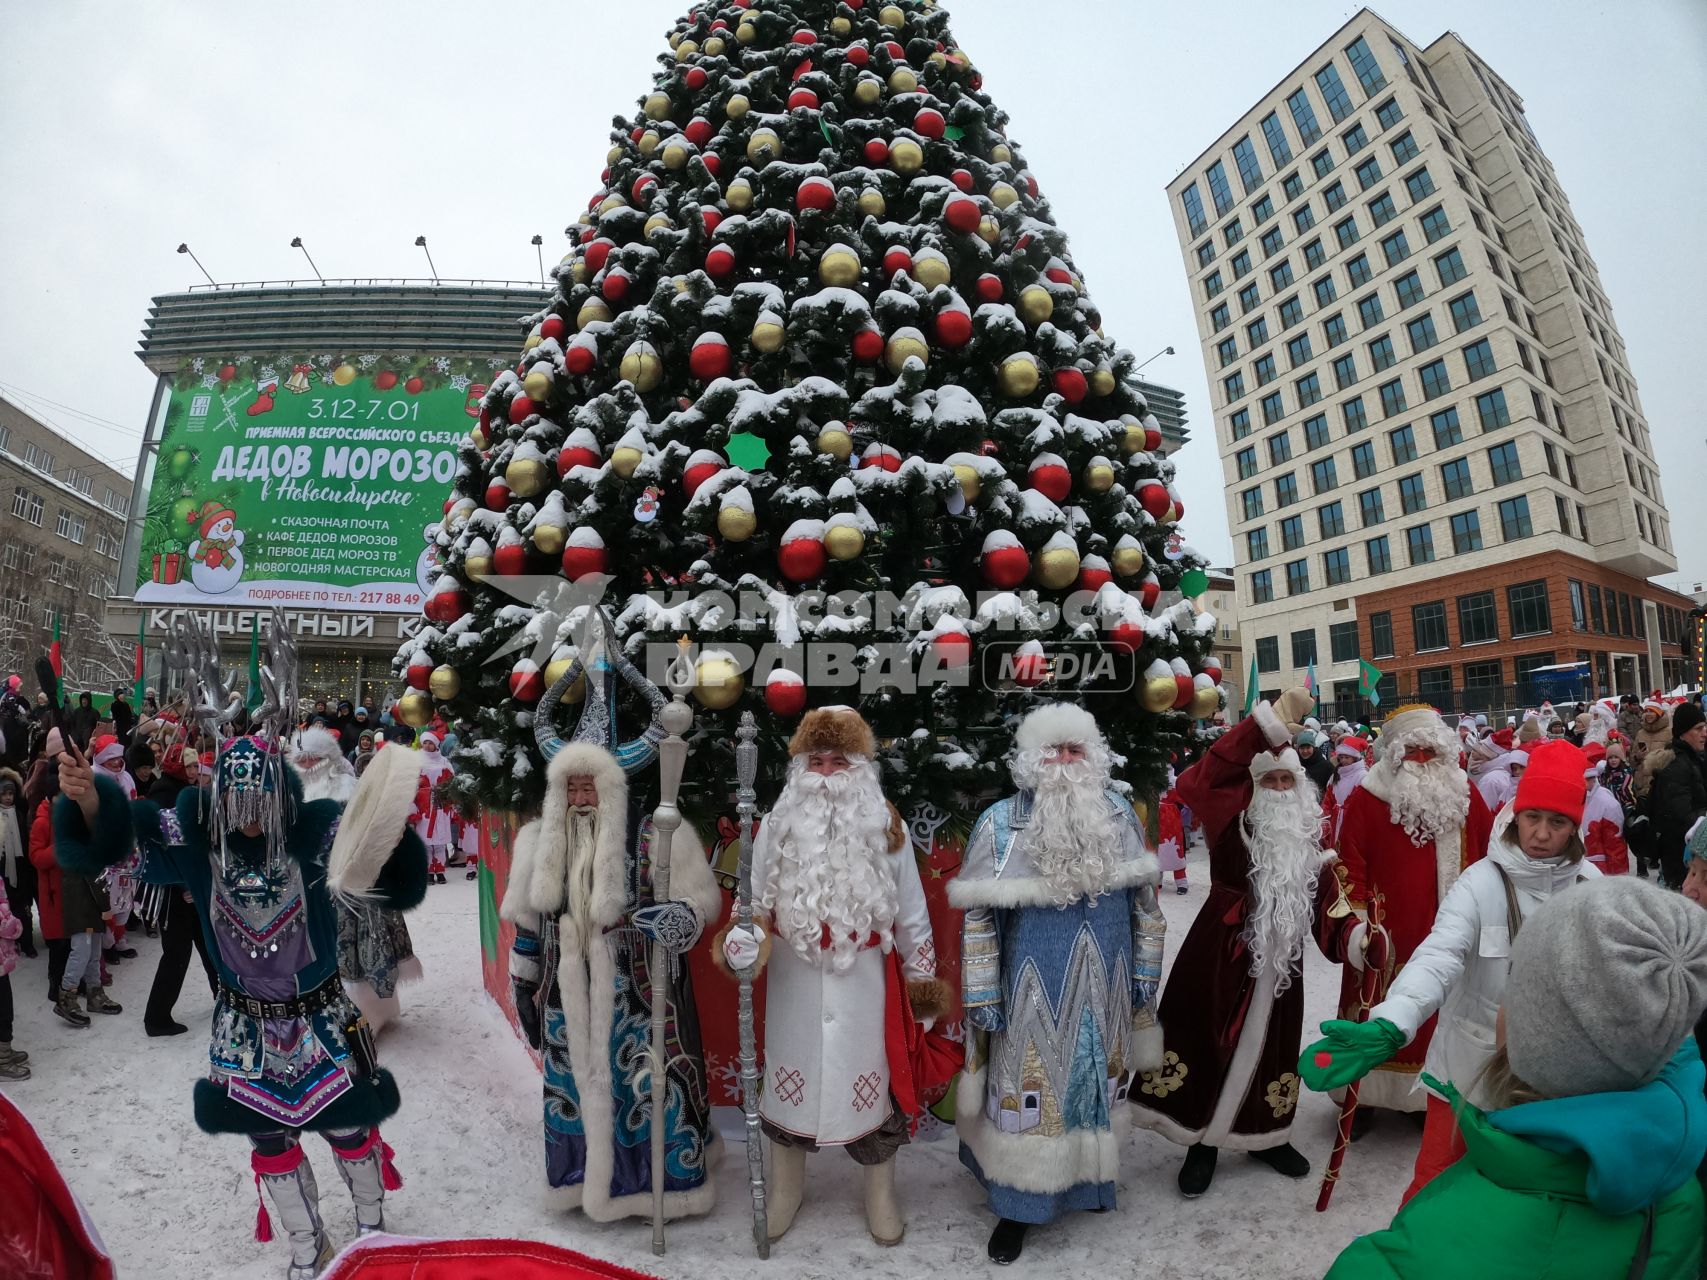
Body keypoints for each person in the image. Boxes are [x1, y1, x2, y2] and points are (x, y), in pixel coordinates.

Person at [53, 731, 427, 1276]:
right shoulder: (197, 844)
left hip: (320, 1019)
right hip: (243, 1030)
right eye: (237, 802)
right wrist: (89, 798)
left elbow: (379, 860)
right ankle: (308, 1245)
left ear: (282, 797)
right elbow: (124, 843)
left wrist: (387, 819)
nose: (250, 816)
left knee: (348, 1126)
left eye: (262, 802)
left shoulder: (316, 834)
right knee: (269, 1141)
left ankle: (371, 1231)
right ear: (220, 800)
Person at [1321, 877, 1707, 1278]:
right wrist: (1396, 1019)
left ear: (1536, 1032)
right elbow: (1440, 953)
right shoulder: (1678, 1189)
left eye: (1515, 984)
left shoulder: (1404, 1260)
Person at [1302, 739, 1598, 1203]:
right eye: (1533, 817)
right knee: (1433, 1188)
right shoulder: (1481, 882)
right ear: (1517, 815)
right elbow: (1438, 956)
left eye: (1557, 822)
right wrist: (1391, 1019)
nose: (1541, 833)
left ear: (1574, 828)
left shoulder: (1591, 888)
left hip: (1550, 1078)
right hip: (1467, 1071)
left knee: (1521, 1197)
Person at [951, 703, 1165, 1264]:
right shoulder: (999, 824)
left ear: (1092, 758)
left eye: (1075, 751)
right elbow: (977, 920)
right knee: (1033, 1096)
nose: (1065, 763)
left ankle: (1091, 1181)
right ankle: (1018, 1207)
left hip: (1112, 986)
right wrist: (981, 995)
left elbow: (1147, 906)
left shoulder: (1119, 814)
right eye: (1054, 751)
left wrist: (1145, 973)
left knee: (1097, 1086)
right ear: (1030, 760)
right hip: (1030, 991)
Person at [726, 707, 946, 1246]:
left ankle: (880, 1192)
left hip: (864, 988)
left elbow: (912, 912)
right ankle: (785, 1187)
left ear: (860, 768)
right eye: (816, 761)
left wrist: (921, 988)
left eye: (838, 762)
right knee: (785, 1088)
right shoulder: (778, 820)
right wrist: (743, 934)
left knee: (872, 1089)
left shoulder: (884, 821)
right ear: (801, 766)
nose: (826, 773)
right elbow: (749, 897)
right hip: (794, 986)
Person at [1132, 691, 1361, 1196]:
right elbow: (1202, 778)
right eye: (1268, 781)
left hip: (1282, 964)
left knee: (1275, 1048)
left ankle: (1266, 1136)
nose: (1279, 789)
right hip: (1221, 952)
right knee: (1208, 1041)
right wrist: (1268, 724)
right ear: (1252, 788)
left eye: (1287, 780)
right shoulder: (1226, 825)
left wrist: (1356, 936)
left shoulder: (1308, 842)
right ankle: (1201, 1142)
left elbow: (1330, 905)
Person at [501, 737, 721, 1225]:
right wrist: (524, 982)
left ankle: (651, 1188)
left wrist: (673, 916)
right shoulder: (537, 841)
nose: (581, 801)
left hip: (639, 992)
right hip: (565, 994)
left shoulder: (659, 835)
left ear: (611, 791)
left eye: (589, 789)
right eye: (572, 790)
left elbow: (700, 905)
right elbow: (528, 925)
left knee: (644, 1088)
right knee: (573, 1089)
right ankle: (578, 1182)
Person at [1329, 703, 1495, 1122]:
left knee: (1440, 1010)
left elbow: (1493, 854)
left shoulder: (1465, 794)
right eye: (1413, 752)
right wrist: (1357, 925)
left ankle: (1425, 1093)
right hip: (1386, 933)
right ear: (1394, 755)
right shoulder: (1368, 798)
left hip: (1452, 928)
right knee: (1375, 1009)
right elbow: (1349, 865)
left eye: (1430, 753)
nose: (1422, 761)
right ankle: (1362, 1093)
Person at [290, 727, 420, 1035]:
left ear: (329, 758)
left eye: (314, 758)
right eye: (302, 759)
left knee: (357, 951)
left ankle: (367, 1016)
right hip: (304, 885)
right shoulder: (290, 795)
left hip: (351, 884)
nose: (308, 765)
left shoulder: (350, 788)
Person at [141, 742, 217, 1037]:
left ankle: (224, 998)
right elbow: (169, 849)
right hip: (173, 890)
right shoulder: (166, 794)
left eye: (194, 766)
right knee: (177, 951)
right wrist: (185, 883)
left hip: (187, 886)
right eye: (187, 766)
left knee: (208, 943)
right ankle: (156, 1017)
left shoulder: (183, 791)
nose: (193, 771)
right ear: (174, 766)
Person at [1650, 701, 1706, 889]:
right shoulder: (1677, 767)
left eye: (1705, 727)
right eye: (1699, 729)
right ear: (1683, 732)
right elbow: (1682, 818)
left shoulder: (1694, 759)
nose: (1704, 733)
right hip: (1681, 863)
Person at [0, 767, 38, 959]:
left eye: (11, 794)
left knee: (24, 908)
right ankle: (10, 941)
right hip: (3, 871)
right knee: (8, 909)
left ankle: (27, 942)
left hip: (22, 868)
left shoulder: (20, 814)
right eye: (4, 794)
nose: (8, 798)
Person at [412, 733, 455, 884]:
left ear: (436, 744)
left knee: (440, 841)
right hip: (424, 807)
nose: (427, 746)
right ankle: (429, 871)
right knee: (426, 842)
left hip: (441, 806)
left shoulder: (444, 761)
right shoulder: (416, 760)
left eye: (431, 743)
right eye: (425, 743)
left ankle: (440, 870)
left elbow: (452, 782)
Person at [1579, 752, 1629, 876]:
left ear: (1592, 778)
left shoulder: (1607, 804)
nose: (1583, 784)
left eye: (1587, 779)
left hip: (1600, 870)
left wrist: (1618, 878)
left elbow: (1616, 847)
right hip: (1577, 868)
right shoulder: (1572, 799)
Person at [1322, 735, 1367, 848]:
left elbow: (1360, 803)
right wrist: (1325, 817)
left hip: (1351, 823)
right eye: (1341, 757)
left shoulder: (1362, 776)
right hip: (1334, 821)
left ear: (1355, 757)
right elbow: (1328, 799)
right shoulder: (1336, 775)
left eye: (1347, 757)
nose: (1343, 761)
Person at [1295, 730, 1334, 794]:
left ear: (1314, 748)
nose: (1305, 751)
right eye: (1302, 748)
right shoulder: (1295, 765)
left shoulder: (1326, 766)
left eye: (1308, 748)